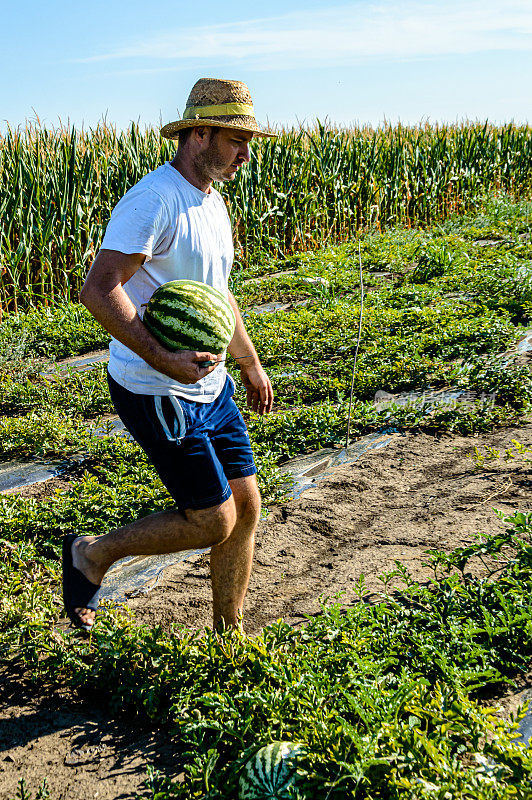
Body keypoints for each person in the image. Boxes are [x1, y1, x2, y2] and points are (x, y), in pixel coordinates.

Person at [62, 78, 275, 633]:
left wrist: (248, 362)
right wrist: (161, 359)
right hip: (157, 387)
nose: (244, 155)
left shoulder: (212, 202)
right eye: (235, 141)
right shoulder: (153, 201)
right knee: (213, 519)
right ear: (199, 132)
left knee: (247, 508)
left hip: (211, 386)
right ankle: (93, 554)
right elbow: (99, 287)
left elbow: (215, 292)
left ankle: (228, 637)